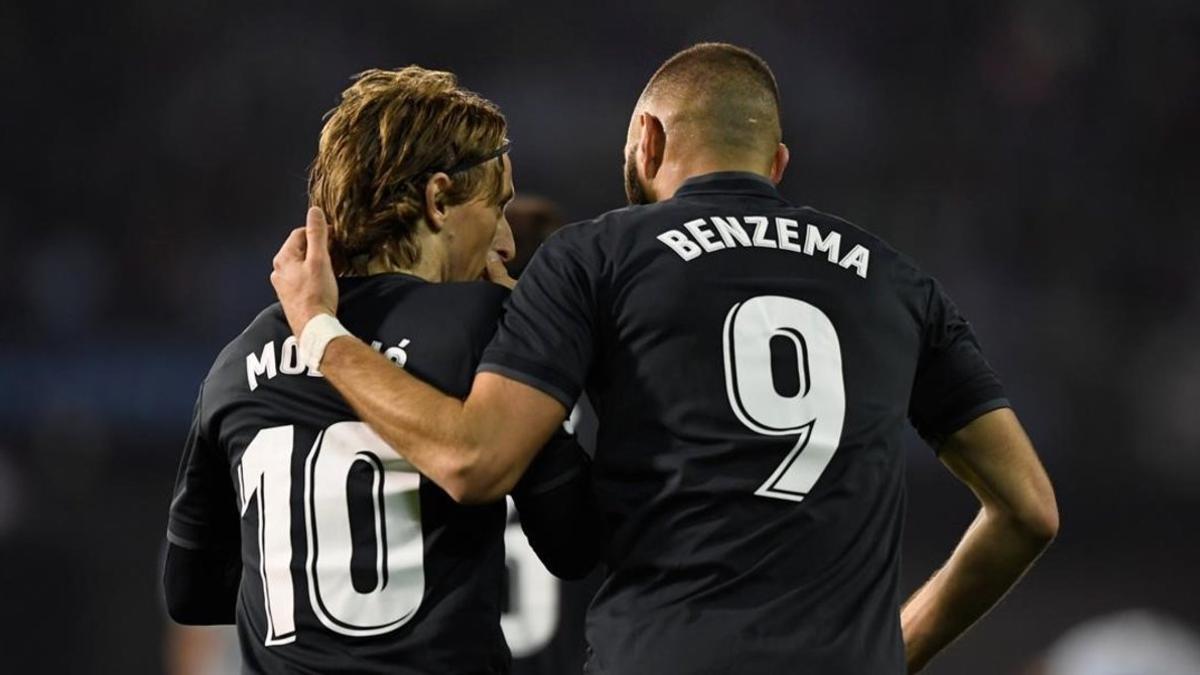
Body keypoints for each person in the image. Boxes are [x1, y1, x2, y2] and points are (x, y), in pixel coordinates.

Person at [270, 43, 1059, 674]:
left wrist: (320, 330)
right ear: (775, 164)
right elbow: (1028, 509)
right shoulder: (898, 280)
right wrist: (895, 648)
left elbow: (474, 461)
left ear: (646, 140)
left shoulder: (596, 257)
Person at [164, 66, 601, 674]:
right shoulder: (484, 323)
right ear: (439, 199)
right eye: (496, 207)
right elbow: (573, 539)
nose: (505, 240)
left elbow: (191, 591)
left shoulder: (236, 360)